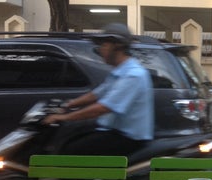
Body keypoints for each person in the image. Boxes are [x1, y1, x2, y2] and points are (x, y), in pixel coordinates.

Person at [42, 23, 154, 156]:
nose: (100, 50)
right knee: (69, 139)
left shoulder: (133, 75)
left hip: (128, 138)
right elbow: (96, 94)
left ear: (117, 45)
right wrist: (67, 104)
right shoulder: (120, 72)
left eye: (104, 45)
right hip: (113, 132)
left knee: (71, 151)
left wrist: (64, 117)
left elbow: (103, 108)